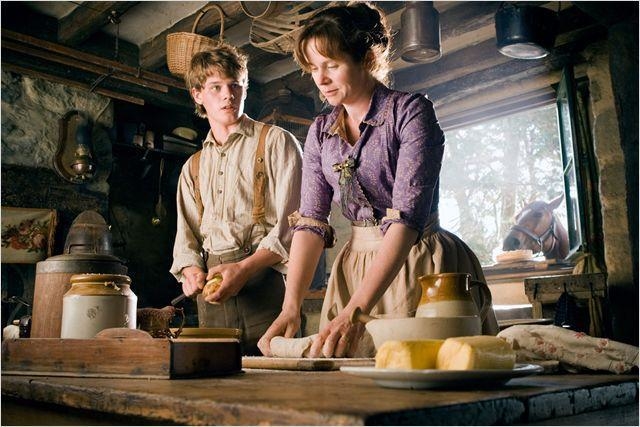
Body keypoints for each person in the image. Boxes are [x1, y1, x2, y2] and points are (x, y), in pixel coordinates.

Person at [258, 2, 498, 358]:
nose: (320, 79)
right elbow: (310, 224)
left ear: (367, 57)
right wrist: (290, 306)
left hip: (419, 261)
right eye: (313, 68)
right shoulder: (320, 132)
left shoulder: (410, 113)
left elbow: (406, 220)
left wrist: (356, 310)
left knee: (424, 368)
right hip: (355, 267)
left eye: (331, 65)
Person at [170, 44, 303, 355]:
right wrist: (191, 272)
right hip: (212, 298)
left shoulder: (276, 142)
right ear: (197, 95)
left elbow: (294, 226)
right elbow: (186, 238)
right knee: (216, 375)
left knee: (277, 376)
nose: (228, 95)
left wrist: (245, 268)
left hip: (266, 285)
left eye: (235, 85)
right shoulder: (193, 166)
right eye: (216, 87)